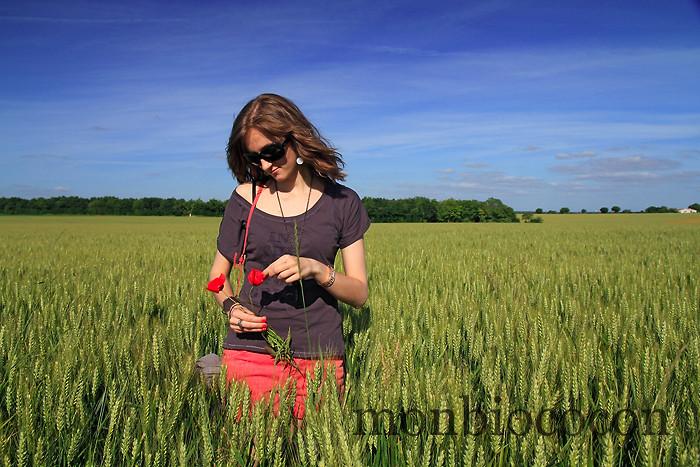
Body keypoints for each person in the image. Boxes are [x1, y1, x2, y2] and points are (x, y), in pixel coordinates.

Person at [208, 93, 371, 419]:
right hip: (250, 352)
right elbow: (216, 279)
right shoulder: (244, 199)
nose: (265, 165)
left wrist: (317, 270)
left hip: (320, 360)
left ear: (296, 138)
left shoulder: (342, 203)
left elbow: (360, 294)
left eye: (272, 152)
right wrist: (231, 307)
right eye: (255, 158)